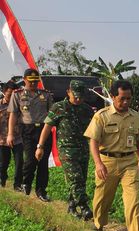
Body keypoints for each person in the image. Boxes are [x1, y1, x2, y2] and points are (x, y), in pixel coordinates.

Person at [84, 79, 139, 231]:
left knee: (134, 198)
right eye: (122, 98)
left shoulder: (134, 116)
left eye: (129, 98)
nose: (126, 102)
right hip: (107, 161)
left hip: (129, 162)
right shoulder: (101, 116)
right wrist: (98, 163)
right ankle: (98, 223)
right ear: (112, 97)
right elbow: (93, 141)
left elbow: (138, 140)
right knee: (103, 197)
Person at [35, 80, 94, 219]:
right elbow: (47, 128)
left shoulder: (87, 110)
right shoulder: (58, 107)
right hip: (66, 149)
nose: (78, 99)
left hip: (83, 149)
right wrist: (40, 146)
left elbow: (94, 131)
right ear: (68, 92)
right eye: (75, 96)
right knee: (75, 178)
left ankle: (72, 206)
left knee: (81, 180)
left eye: (81, 97)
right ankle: (84, 206)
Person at [7, 68, 53, 201]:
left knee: (43, 162)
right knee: (30, 160)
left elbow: (52, 114)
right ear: (25, 80)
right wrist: (10, 134)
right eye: (30, 81)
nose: (33, 84)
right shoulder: (18, 94)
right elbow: (13, 115)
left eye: (35, 81)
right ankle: (26, 184)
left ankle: (41, 190)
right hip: (27, 130)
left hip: (44, 130)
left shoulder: (46, 95)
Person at [0, 81, 23, 190]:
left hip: (17, 138)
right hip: (2, 140)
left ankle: (17, 185)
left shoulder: (20, 106)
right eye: (10, 95)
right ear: (4, 93)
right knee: (3, 163)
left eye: (15, 95)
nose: (12, 97)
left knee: (19, 162)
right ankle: (2, 180)